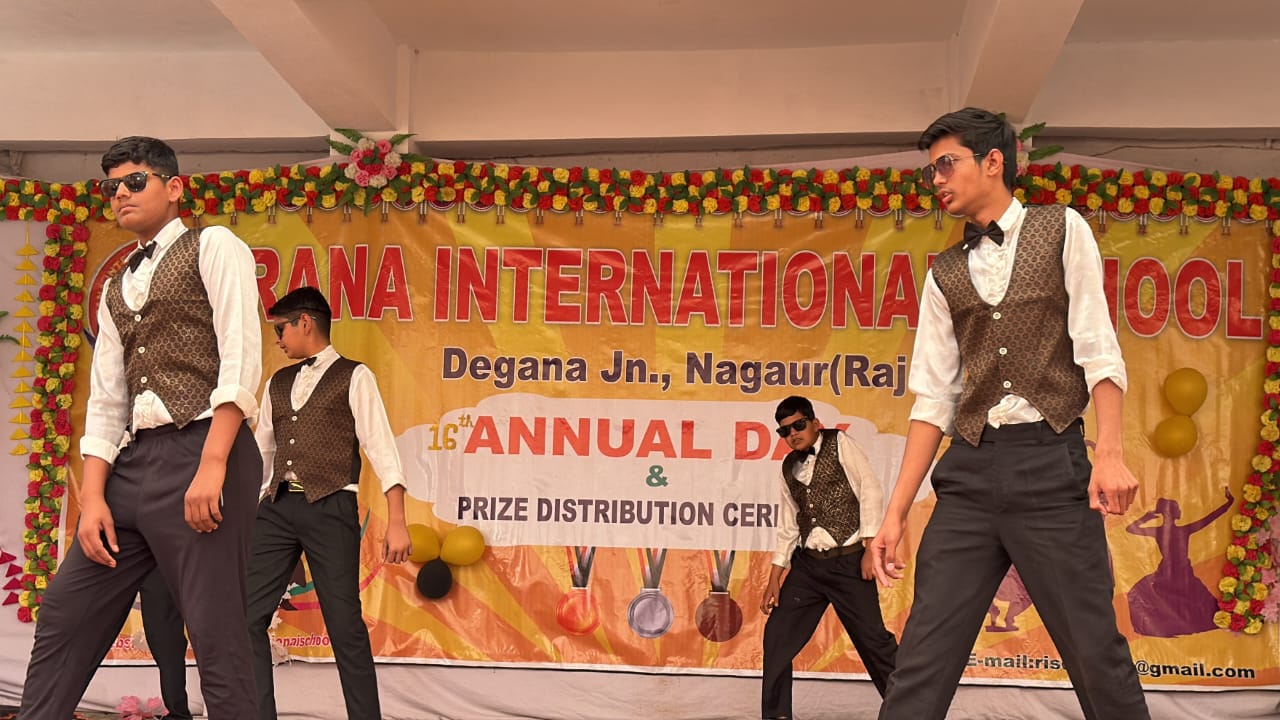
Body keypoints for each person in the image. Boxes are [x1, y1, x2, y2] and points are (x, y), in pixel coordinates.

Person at [868, 108, 1150, 720]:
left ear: (993, 161)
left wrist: (1109, 453)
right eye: (930, 170)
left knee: (1095, 652)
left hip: (1051, 468)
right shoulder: (943, 274)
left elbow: (1098, 346)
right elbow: (933, 399)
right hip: (970, 474)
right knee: (921, 658)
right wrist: (895, 512)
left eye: (947, 164)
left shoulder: (1062, 228)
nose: (937, 180)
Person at [21, 136, 263, 719]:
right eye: (112, 187)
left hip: (204, 450)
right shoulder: (115, 286)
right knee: (66, 612)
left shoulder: (213, 245)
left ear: (173, 188)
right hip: (133, 466)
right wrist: (93, 499)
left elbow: (241, 356)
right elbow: (107, 399)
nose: (121, 194)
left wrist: (213, 463)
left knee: (214, 631)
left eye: (135, 181)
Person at [245, 286, 412, 720]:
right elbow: (262, 452)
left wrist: (398, 520)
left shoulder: (355, 376)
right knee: (246, 617)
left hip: (331, 506)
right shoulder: (277, 383)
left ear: (305, 323)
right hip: (277, 508)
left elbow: (381, 448)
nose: (277, 340)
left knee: (344, 624)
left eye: (281, 329)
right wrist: (251, 509)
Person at [760, 396, 898, 720]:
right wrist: (774, 579)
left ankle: (911, 710)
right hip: (808, 567)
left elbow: (870, 490)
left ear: (814, 423)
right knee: (777, 637)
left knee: (874, 641)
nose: (792, 434)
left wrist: (870, 548)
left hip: (849, 561)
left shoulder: (839, 443)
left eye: (798, 425)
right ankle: (777, 716)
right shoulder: (787, 468)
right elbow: (788, 525)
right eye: (784, 431)